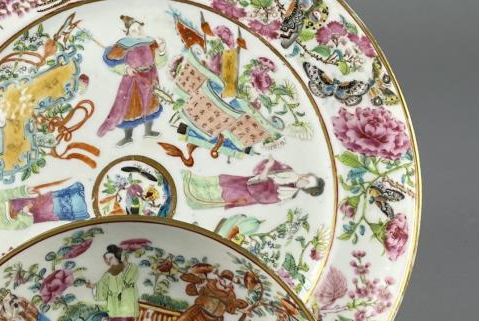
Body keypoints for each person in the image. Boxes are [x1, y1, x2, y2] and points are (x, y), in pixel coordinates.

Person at [97, 16, 166, 145]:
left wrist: (161, 50)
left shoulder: (150, 43)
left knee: (151, 106)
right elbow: (112, 63)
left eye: (139, 28)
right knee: (130, 109)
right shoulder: (124, 46)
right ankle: (128, 137)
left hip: (151, 77)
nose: (138, 31)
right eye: (134, 30)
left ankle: (148, 131)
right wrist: (126, 68)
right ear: (127, 33)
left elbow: (160, 63)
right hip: (133, 81)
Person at [182, 158, 324, 210]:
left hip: (249, 193)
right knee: (225, 180)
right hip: (249, 181)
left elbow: (264, 189)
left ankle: (197, 194)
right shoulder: (290, 173)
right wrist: (270, 165)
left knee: (226, 192)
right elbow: (270, 170)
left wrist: (267, 168)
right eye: (307, 176)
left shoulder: (287, 193)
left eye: (306, 181)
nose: (303, 178)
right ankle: (196, 181)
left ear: (306, 188)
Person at [0, 182, 88, 233]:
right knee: (47, 212)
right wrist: (24, 215)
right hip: (24, 214)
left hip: (19, 203)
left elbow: (2, 194)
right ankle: (79, 208)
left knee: (46, 201)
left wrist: (23, 190)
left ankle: (75, 193)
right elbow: (11, 225)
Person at [166, 267, 246, 321]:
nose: (226, 284)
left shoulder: (230, 295)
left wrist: (239, 310)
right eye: (224, 281)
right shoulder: (209, 284)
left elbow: (230, 307)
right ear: (220, 279)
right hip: (200, 314)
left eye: (229, 283)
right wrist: (198, 286)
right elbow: (193, 292)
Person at [92, 244, 139, 321]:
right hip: (113, 302)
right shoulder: (108, 273)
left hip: (126, 300)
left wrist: (126, 264)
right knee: (113, 320)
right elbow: (102, 286)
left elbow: (129, 279)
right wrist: (93, 287)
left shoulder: (129, 267)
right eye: (106, 259)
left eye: (110, 258)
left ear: (117, 257)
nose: (108, 261)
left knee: (125, 320)